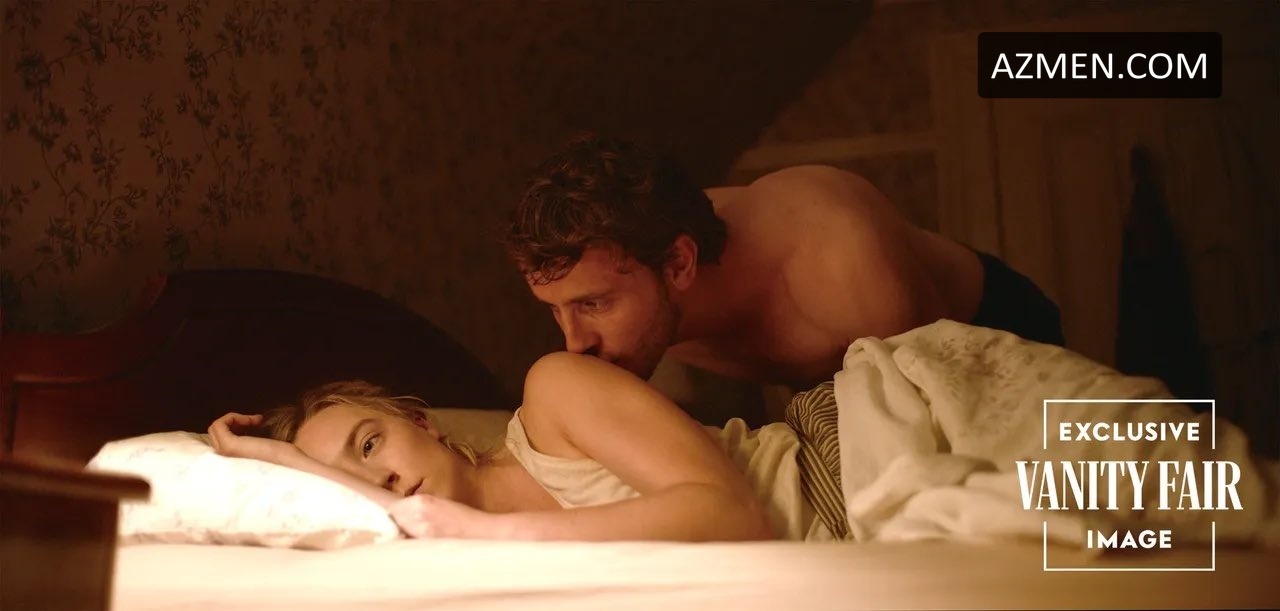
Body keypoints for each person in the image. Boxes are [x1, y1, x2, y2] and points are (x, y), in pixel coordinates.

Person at [503, 133, 1065, 392]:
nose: (574, 343)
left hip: (992, 326)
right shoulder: (632, 264)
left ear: (679, 264)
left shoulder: (837, 261)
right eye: (555, 309)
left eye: (593, 305)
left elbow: (946, 414)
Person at [209, 352, 823, 542]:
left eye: (370, 444)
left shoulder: (553, 394)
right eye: (348, 479)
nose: (380, 481)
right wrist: (278, 459)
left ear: (422, 424)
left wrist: (493, 531)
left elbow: (733, 514)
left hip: (832, 470)